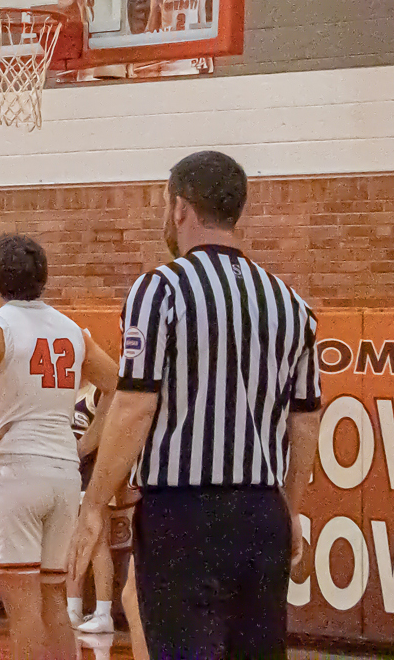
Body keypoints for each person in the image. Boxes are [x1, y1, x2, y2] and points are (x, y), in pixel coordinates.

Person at [77, 151, 324, 660]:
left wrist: (94, 505)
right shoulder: (293, 304)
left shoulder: (159, 289)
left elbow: (134, 406)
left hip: (184, 512)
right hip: (262, 511)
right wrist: (291, 512)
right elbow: (305, 422)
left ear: (181, 208)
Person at [0, 234, 121, 660]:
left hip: (15, 471)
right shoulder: (71, 329)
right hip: (63, 473)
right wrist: (86, 444)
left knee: (22, 610)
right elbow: (117, 383)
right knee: (55, 603)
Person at [66, 390, 116, 634]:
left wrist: (81, 447)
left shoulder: (98, 392)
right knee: (70, 544)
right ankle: (72, 608)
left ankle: (104, 612)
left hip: (95, 478)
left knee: (98, 545)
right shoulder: (63, 390)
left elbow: (105, 433)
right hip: (69, 478)